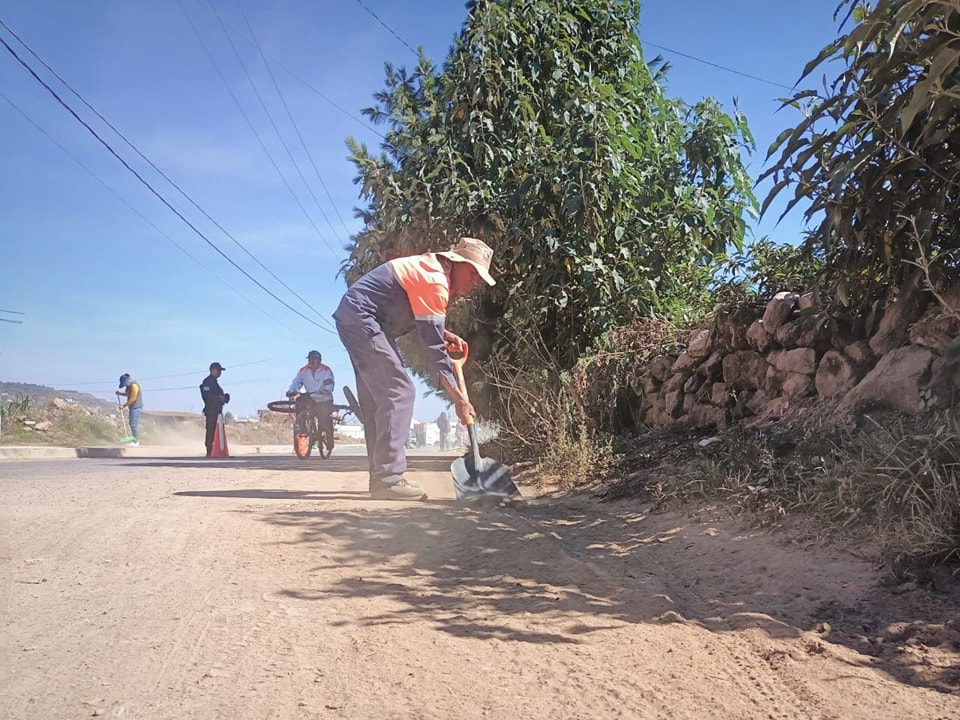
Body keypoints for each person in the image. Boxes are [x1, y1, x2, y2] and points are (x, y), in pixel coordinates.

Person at [334, 236, 496, 500]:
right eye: (475, 272)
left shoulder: (434, 271)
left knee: (379, 400)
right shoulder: (435, 279)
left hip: (360, 319)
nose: (478, 280)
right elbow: (434, 349)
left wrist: (443, 333)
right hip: (363, 319)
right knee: (400, 392)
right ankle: (388, 480)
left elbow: (426, 324)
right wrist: (458, 399)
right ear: (458, 262)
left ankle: (381, 479)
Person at [286, 350, 335, 450]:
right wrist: (292, 391)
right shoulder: (303, 370)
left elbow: (329, 382)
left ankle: (328, 440)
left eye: (314, 359)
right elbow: (296, 382)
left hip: (324, 399)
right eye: (310, 359)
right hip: (310, 397)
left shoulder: (326, 370)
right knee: (299, 403)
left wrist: (327, 390)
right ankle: (303, 428)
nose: (312, 361)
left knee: (324, 419)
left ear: (319, 360)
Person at [200, 362, 230, 457]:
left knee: (218, 431)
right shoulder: (207, 382)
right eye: (218, 370)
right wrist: (219, 398)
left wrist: (224, 398)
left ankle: (217, 449)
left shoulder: (215, 383)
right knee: (211, 430)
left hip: (217, 410)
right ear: (212, 370)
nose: (220, 372)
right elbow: (207, 397)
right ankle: (210, 450)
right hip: (211, 410)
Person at [116, 373, 143, 446]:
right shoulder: (128, 386)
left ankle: (136, 442)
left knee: (134, 424)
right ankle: (133, 438)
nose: (124, 385)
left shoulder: (134, 386)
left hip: (136, 407)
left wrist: (123, 406)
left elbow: (133, 398)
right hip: (132, 407)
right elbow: (128, 394)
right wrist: (120, 394)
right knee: (131, 423)